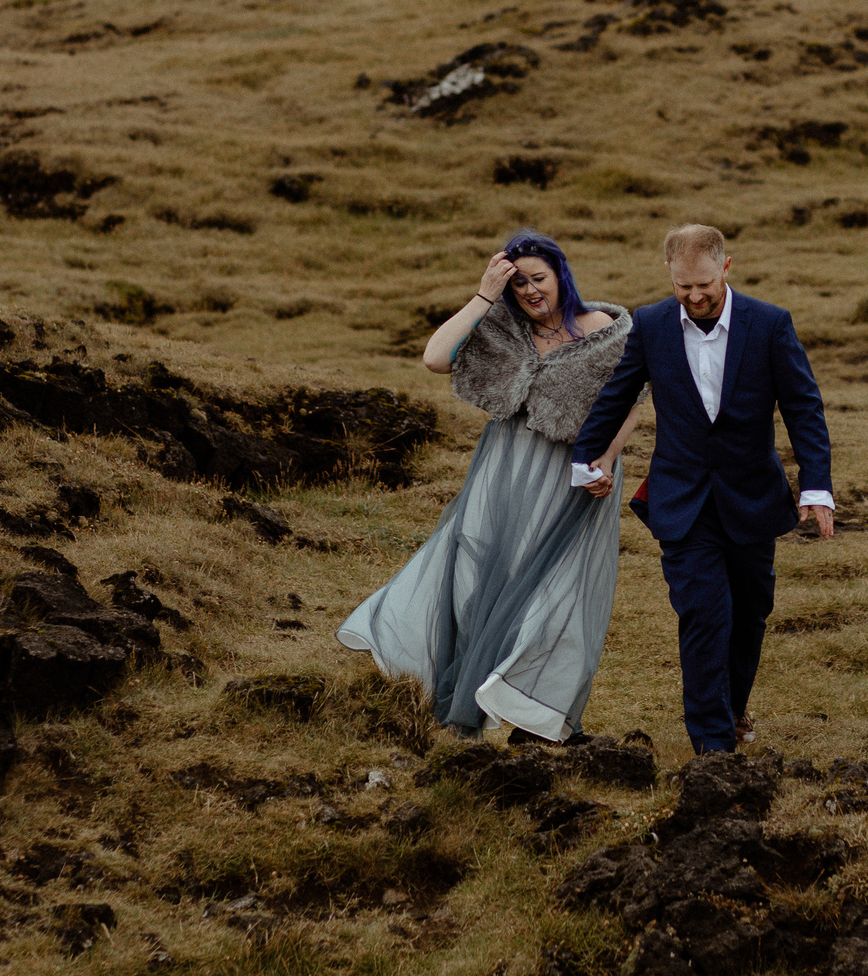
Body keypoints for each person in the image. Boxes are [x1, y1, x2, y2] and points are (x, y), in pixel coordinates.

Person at [337, 231, 641, 742]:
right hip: (502, 465)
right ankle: (464, 705)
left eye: (538, 278)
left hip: (573, 475)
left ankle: (534, 709)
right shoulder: (503, 326)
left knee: (553, 586)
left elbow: (632, 399)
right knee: (475, 575)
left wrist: (606, 461)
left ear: (561, 275)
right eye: (517, 282)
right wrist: (484, 295)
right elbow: (436, 358)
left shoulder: (606, 329)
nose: (529, 290)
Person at [567, 224, 833, 756]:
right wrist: (584, 456)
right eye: (683, 286)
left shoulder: (769, 323)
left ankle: (732, 709)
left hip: (752, 498)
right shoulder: (651, 324)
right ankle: (713, 746)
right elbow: (619, 393)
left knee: (750, 612)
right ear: (670, 275)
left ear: (726, 268)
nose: (694, 297)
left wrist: (817, 486)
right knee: (704, 613)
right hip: (681, 499)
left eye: (705, 285)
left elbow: (803, 407)